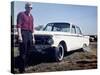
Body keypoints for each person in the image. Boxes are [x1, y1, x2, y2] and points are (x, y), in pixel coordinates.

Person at [17, 2, 35, 73]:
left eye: (30, 7)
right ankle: (21, 69)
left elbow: (33, 28)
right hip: (23, 33)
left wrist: (33, 38)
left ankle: (25, 64)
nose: (29, 9)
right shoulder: (21, 14)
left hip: (30, 34)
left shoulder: (32, 17)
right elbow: (18, 26)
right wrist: (20, 36)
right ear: (25, 7)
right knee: (23, 52)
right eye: (28, 7)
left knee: (28, 51)